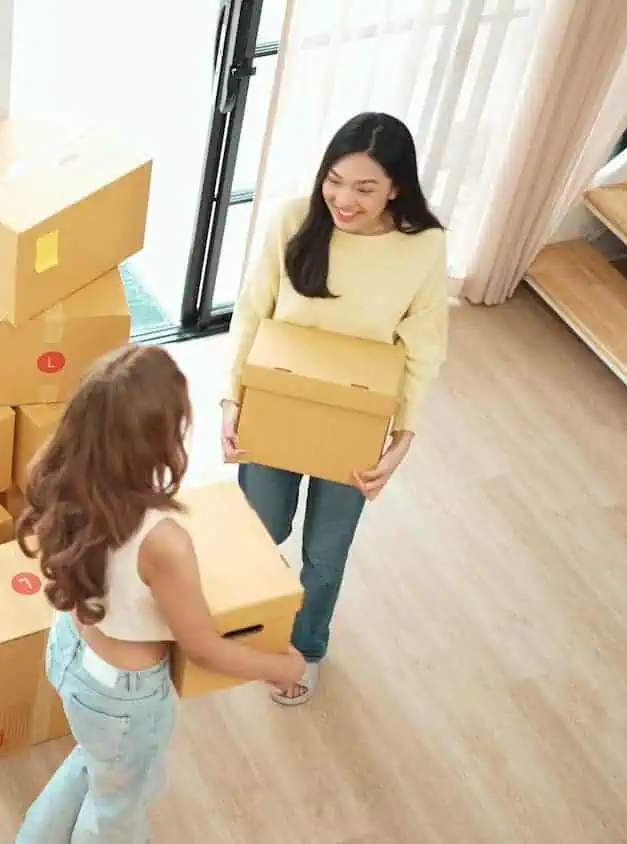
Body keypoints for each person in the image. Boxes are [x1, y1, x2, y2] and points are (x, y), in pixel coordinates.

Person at [14, 344, 307, 844]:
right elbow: (203, 647)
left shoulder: (64, 478)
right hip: (121, 698)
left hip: (70, 651)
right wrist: (282, 668)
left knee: (94, 763)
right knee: (117, 812)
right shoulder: (162, 542)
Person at [221, 111, 449, 706]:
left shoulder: (423, 247)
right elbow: (252, 312)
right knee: (261, 528)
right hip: (277, 400)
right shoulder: (293, 220)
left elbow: (424, 349)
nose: (344, 200)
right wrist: (231, 399)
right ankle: (246, 620)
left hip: (355, 419)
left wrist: (403, 437)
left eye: (365, 188)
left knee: (325, 552)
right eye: (335, 180)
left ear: (396, 188)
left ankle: (306, 647)